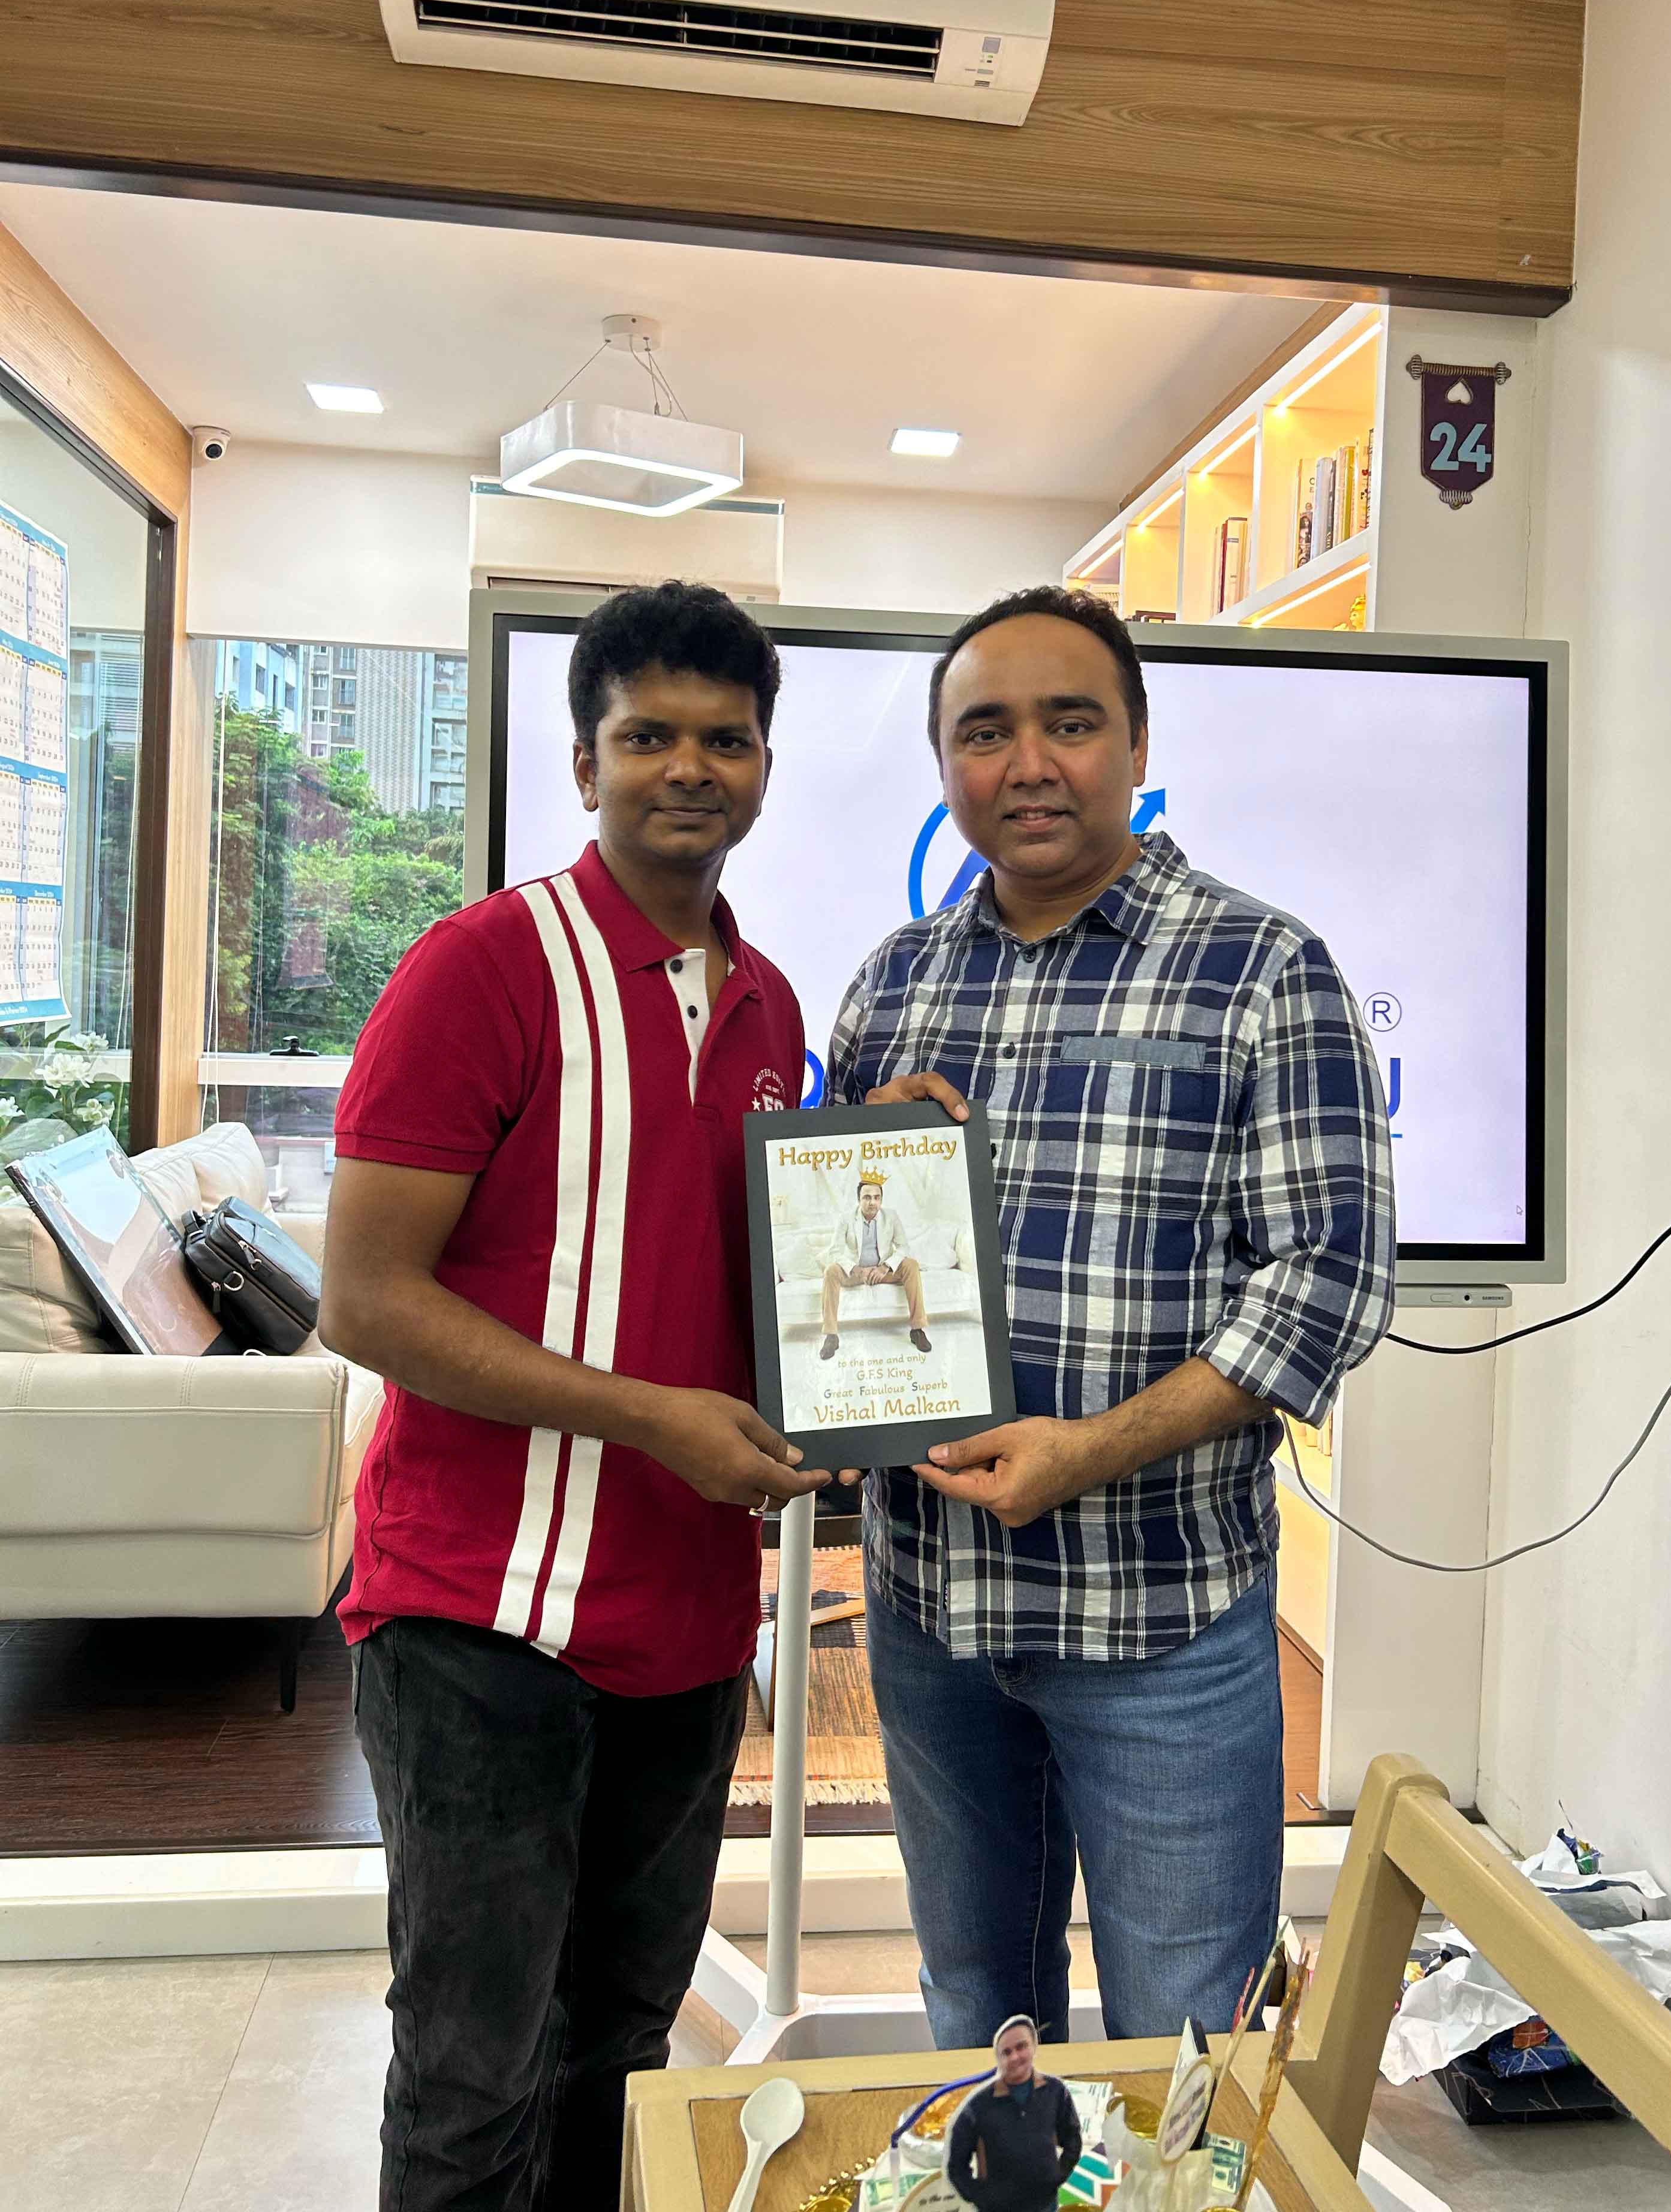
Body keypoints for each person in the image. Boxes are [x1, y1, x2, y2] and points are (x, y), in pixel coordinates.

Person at [319, 580, 829, 2211]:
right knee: (473, 2078)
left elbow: (732, 1273)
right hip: (478, 1620)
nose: (690, 767)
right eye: (648, 735)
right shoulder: (482, 966)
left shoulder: (771, 1004)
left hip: (686, 1623)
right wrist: (651, 1416)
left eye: (725, 740)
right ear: (584, 761)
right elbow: (366, 1299)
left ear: (764, 767)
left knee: (618, 2051)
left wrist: (869, 1175)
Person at [827, 586, 1395, 2047]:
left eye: (1069, 724)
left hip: (1159, 1621)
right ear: (945, 764)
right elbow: (836, 1258)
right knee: (979, 2017)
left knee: (1189, 2043)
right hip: (931, 1607)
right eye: (984, 732)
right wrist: (858, 1165)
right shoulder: (894, 985)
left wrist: (1089, 1451)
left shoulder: (1263, 969)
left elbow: (1327, 1279)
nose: (1028, 765)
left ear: (1138, 747)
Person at [946, 2015, 1083, 2212]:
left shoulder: (1055, 2092)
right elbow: (957, 2166)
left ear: (1034, 2046)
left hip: (1045, 2205)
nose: (1015, 2057)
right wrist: (982, 2198)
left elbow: (1072, 2138)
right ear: (998, 2058)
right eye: (1007, 2052)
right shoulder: (978, 2106)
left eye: (1021, 2047)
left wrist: (1057, 2175)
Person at [820, 1171, 931, 1360]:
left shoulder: (891, 1216)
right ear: (859, 1200)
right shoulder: (846, 1218)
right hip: (857, 1273)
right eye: (867, 1197)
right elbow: (834, 1251)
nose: (872, 1202)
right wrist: (856, 1269)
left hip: (883, 1272)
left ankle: (917, 1330)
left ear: (881, 1200)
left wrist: (885, 1267)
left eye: (877, 1198)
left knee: (911, 1265)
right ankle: (831, 1336)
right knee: (831, 1271)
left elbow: (904, 1247)